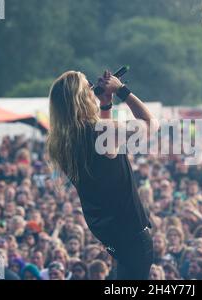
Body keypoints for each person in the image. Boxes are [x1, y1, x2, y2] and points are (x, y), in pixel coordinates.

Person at [46, 70, 159, 280]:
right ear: (81, 97)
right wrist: (121, 90)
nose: (92, 87)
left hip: (110, 234)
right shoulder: (100, 132)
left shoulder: (61, 143)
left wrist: (106, 106)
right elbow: (151, 123)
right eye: (87, 85)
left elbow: (106, 154)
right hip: (132, 234)